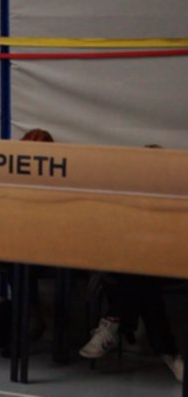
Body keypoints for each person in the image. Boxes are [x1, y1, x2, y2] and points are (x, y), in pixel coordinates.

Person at [80, 144, 183, 384]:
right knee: (139, 279)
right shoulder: (125, 198)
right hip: (134, 266)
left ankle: (114, 321)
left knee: (136, 274)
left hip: (169, 265)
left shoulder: (177, 197)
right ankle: (168, 352)